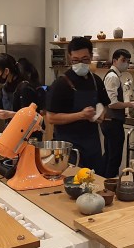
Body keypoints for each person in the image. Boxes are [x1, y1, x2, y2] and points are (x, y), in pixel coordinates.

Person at [45, 37, 110, 174]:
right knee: (71, 181)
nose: (80, 63)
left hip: (92, 145)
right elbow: (51, 117)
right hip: (68, 147)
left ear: (91, 57)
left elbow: (105, 104)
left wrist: (101, 114)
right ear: (70, 58)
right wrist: (80, 115)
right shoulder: (61, 83)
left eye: (85, 59)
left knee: (95, 180)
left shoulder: (96, 81)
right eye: (75, 60)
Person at [101, 49, 134, 177]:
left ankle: (104, 180)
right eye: (123, 60)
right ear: (114, 60)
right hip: (112, 122)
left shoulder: (114, 75)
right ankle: (110, 182)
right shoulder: (112, 77)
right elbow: (112, 103)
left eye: (128, 61)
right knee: (114, 157)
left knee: (109, 155)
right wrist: (131, 104)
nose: (126, 64)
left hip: (109, 121)